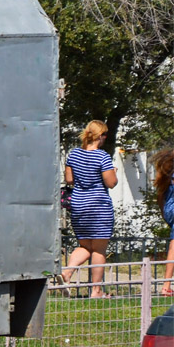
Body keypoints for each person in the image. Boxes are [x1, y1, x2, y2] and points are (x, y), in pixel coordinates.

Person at [60, 120, 118, 298]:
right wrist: (113, 171)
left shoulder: (74, 154)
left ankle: (67, 273)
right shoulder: (102, 157)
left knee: (85, 245)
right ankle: (96, 290)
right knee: (99, 249)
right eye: (105, 135)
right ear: (101, 136)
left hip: (78, 205)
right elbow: (111, 183)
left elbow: (69, 180)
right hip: (98, 206)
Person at [153, 150, 174, 297]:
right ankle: (166, 286)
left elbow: (161, 199)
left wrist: (165, 215)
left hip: (170, 210)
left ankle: (166, 285)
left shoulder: (166, 176)